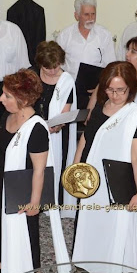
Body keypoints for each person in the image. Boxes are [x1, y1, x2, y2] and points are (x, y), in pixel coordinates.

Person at [0, 69, 70, 273]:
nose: (1, 99)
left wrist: (34, 202)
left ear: (22, 99)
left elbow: (40, 170)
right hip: (3, 179)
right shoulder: (8, 114)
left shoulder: (37, 128)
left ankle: (33, 269)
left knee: (27, 227)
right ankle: (3, 257)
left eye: (7, 95)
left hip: (23, 186)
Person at [71, 61, 137, 273]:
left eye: (120, 90)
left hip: (115, 181)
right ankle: (87, 262)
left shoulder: (133, 115)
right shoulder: (100, 106)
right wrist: (76, 167)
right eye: (110, 89)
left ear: (130, 88)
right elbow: (86, 138)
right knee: (89, 222)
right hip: (91, 177)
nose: (115, 95)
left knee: (111, 227)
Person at [32, 41, 77, 219]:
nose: (52, 71)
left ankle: (54, 202)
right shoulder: (32, 76)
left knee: (57, 165)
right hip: (34, 128)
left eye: (56, 67)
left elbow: (66, 109)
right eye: (47, 68)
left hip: (58, 132)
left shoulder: (66, 80)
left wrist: (57, 124)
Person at [55, 0, 116, 79]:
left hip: (97, 83)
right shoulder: (65, 36)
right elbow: (57, 64)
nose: (91, 18)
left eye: (93, 14)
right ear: (77, 16)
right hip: (71, 83)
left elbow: (111, 65)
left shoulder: (104, 35)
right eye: (86, 14)